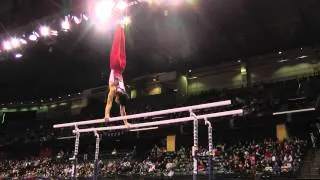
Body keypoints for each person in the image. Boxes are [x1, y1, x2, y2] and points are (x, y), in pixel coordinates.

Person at [104, 24, 130, 127]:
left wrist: (126, 123)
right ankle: (119, 26)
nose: (117, 102)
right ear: (119, 99)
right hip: (115, 65)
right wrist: (106, 115)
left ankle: (122, 27)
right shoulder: (113, 90)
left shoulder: (123, 93)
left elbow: (123, 111)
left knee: (122, 46)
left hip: (122, 66)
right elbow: (109, 104)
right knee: (116, 44)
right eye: (118, 102)